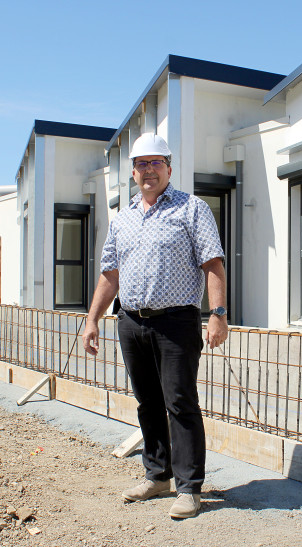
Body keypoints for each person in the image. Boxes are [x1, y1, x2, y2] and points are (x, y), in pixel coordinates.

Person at [82, 132, 228, 519]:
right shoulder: (123, 219)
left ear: (169, 168)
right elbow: (110, 274)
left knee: (180, 403)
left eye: (155, 163)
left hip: (176, 322)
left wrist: (218, 313)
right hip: (131, 322)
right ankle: (157, 475)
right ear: (133, 172)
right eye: (141, 164)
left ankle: (189, 488)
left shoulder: (191, 209)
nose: (149, 170)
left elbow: (213, 263)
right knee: (147, 402)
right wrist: (92, 319)